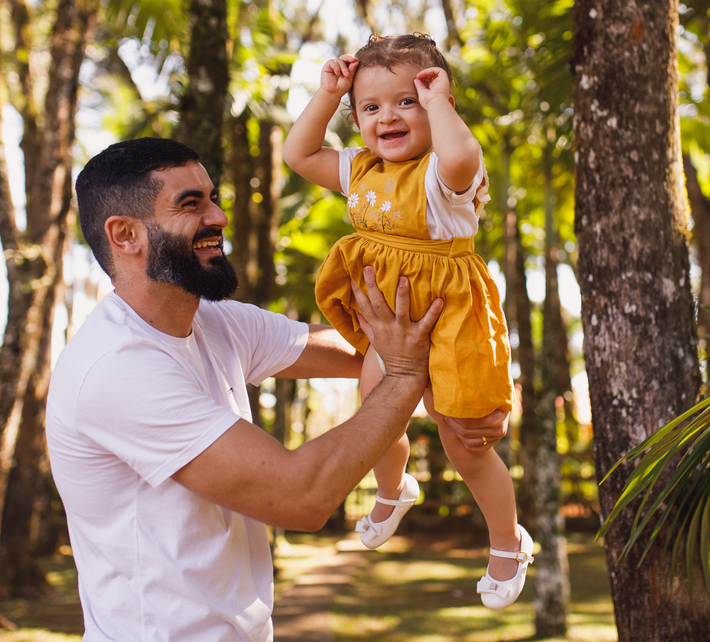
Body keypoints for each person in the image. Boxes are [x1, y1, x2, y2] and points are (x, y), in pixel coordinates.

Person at [46, 137, 507, 641]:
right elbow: (300, 496)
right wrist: (402, 377)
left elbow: (378, 349)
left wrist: (477, 383)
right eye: (190, 204)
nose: (219, 217)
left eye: (213, 198)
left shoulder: (216, 324)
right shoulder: (116, 368)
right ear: (126, 235)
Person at [282, 34, 533, 610]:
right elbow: (298, 154)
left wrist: (439, 102)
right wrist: (328, 95)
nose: (387, 116)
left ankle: (507, 540)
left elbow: (462, 157)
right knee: (376, 416)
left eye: (407, 101)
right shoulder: (359, 169)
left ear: (437, 107)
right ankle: (394, 489)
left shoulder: (444, 176)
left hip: (452, 322)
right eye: (370, 107)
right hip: (390, 323)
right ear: (356, 120)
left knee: (465, 442)